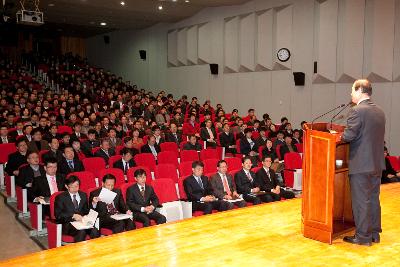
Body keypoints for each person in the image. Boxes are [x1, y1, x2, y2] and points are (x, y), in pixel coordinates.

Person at [341, 79, 385, 246]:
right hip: (376, 164)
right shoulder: (379, 111)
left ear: (359, 90)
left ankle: (363, 237)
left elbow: (349, 136)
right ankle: (374, 233)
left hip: (361, 164)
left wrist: (339, 135)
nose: (351, 93)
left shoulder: (357, 111)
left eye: (352, 90)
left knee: (361, 200)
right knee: (373, 198)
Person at [54, 175, 100, 243]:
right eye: (72, 186)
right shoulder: (60, 197)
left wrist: (93, 203)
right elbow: (58, 215)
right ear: (66, 186)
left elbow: (86, 210)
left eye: (77, 186)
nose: (75, 189)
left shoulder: (83, 195)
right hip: (68, 224)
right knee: (81, 232)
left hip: (83, 222)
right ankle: (79, 252)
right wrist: (72, 215)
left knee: (95, 231)